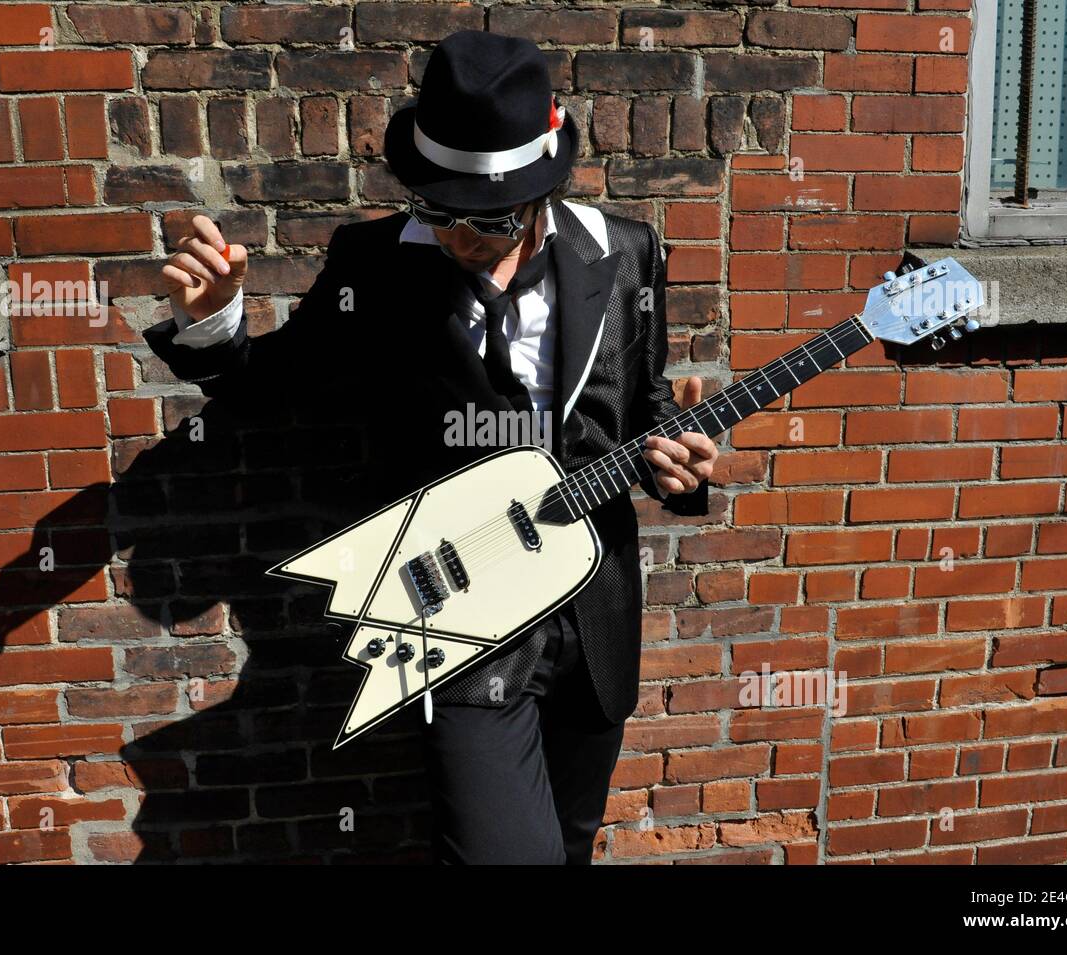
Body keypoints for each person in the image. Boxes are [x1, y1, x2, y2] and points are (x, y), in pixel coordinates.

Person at [148, 29, 717, 864]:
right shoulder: (371, 268)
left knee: (570, 845)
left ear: (535, 195)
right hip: (462, 619)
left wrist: (680, 468)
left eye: (481, 219)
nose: (456, 236)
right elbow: (274, 393)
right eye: (434, 209)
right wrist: (216, 320)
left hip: (592, 620)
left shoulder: (624, 252)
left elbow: (647, 409)